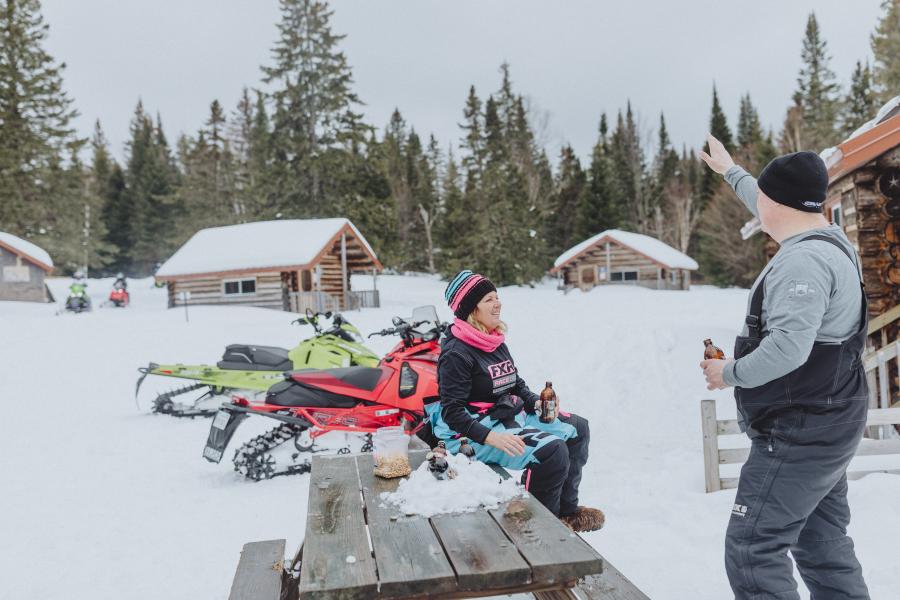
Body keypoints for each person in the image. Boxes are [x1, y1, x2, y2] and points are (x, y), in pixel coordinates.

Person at [700, 134, 870, 600]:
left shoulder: (805, 262)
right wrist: (730, 171)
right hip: (829, 418)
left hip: (803, 428)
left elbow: (789, 350)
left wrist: (728, 373)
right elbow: (763, 193)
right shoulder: (828, 237)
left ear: (779, 205)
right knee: (821, 544)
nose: (757, 207)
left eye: (763, 200)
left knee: (753, 547)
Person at [426, 269, 605, 532]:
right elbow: (452, 411)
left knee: (578, 428)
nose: (497, 303)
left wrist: (536, 404)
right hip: (468, 433)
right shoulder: (456, 353)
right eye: (488, 299)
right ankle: (538, 529)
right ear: (471, 309)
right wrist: (490, 437)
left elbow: (515, 384)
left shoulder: (493, 339)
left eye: (496, 297)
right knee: (552, 452)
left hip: (503, 414)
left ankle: (566, 513)